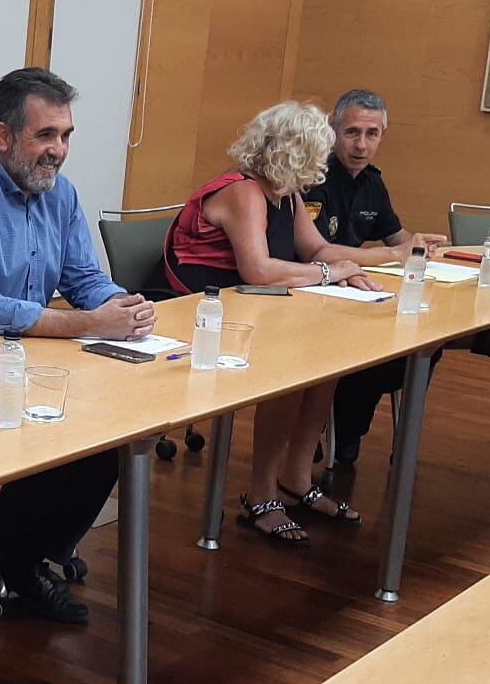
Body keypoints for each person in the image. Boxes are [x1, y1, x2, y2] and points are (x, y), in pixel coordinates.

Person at [0, 68, 154, 623]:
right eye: (46, 136)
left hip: (18, 347)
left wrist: (124, 308)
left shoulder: (59, 194)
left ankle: (25, 544)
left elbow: (85, 277)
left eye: (65, 136)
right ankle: (19, 556)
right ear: (4, 136)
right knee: (56, 423)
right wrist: (90, 323)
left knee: (112, 428)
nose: (58, 151)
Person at [155, 101, 370, 546]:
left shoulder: (282, 192)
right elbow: (259, 269)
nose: (322, 165)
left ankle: (294, 479)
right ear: (296, 153)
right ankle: (262, 494)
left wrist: (361, 263)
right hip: (198, 312)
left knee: (325, 357)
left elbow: (314, 249)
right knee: (291, 364)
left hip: (246, 306)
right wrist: (332, 274)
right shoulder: (244, 191)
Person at [303, 89, 449, 466]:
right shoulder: (312, 178)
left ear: (384, 135)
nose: (361, 145)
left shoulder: (372, 182)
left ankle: (349, 433)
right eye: (351, 132)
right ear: (333, 129)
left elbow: (396, 238)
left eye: (372, 134)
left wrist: (419, 246)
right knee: (368, 347)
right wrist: (390, 254)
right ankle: (329, 434)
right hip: (311, 290)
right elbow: (315, 249)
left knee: (426, 342)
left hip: (353, 293)